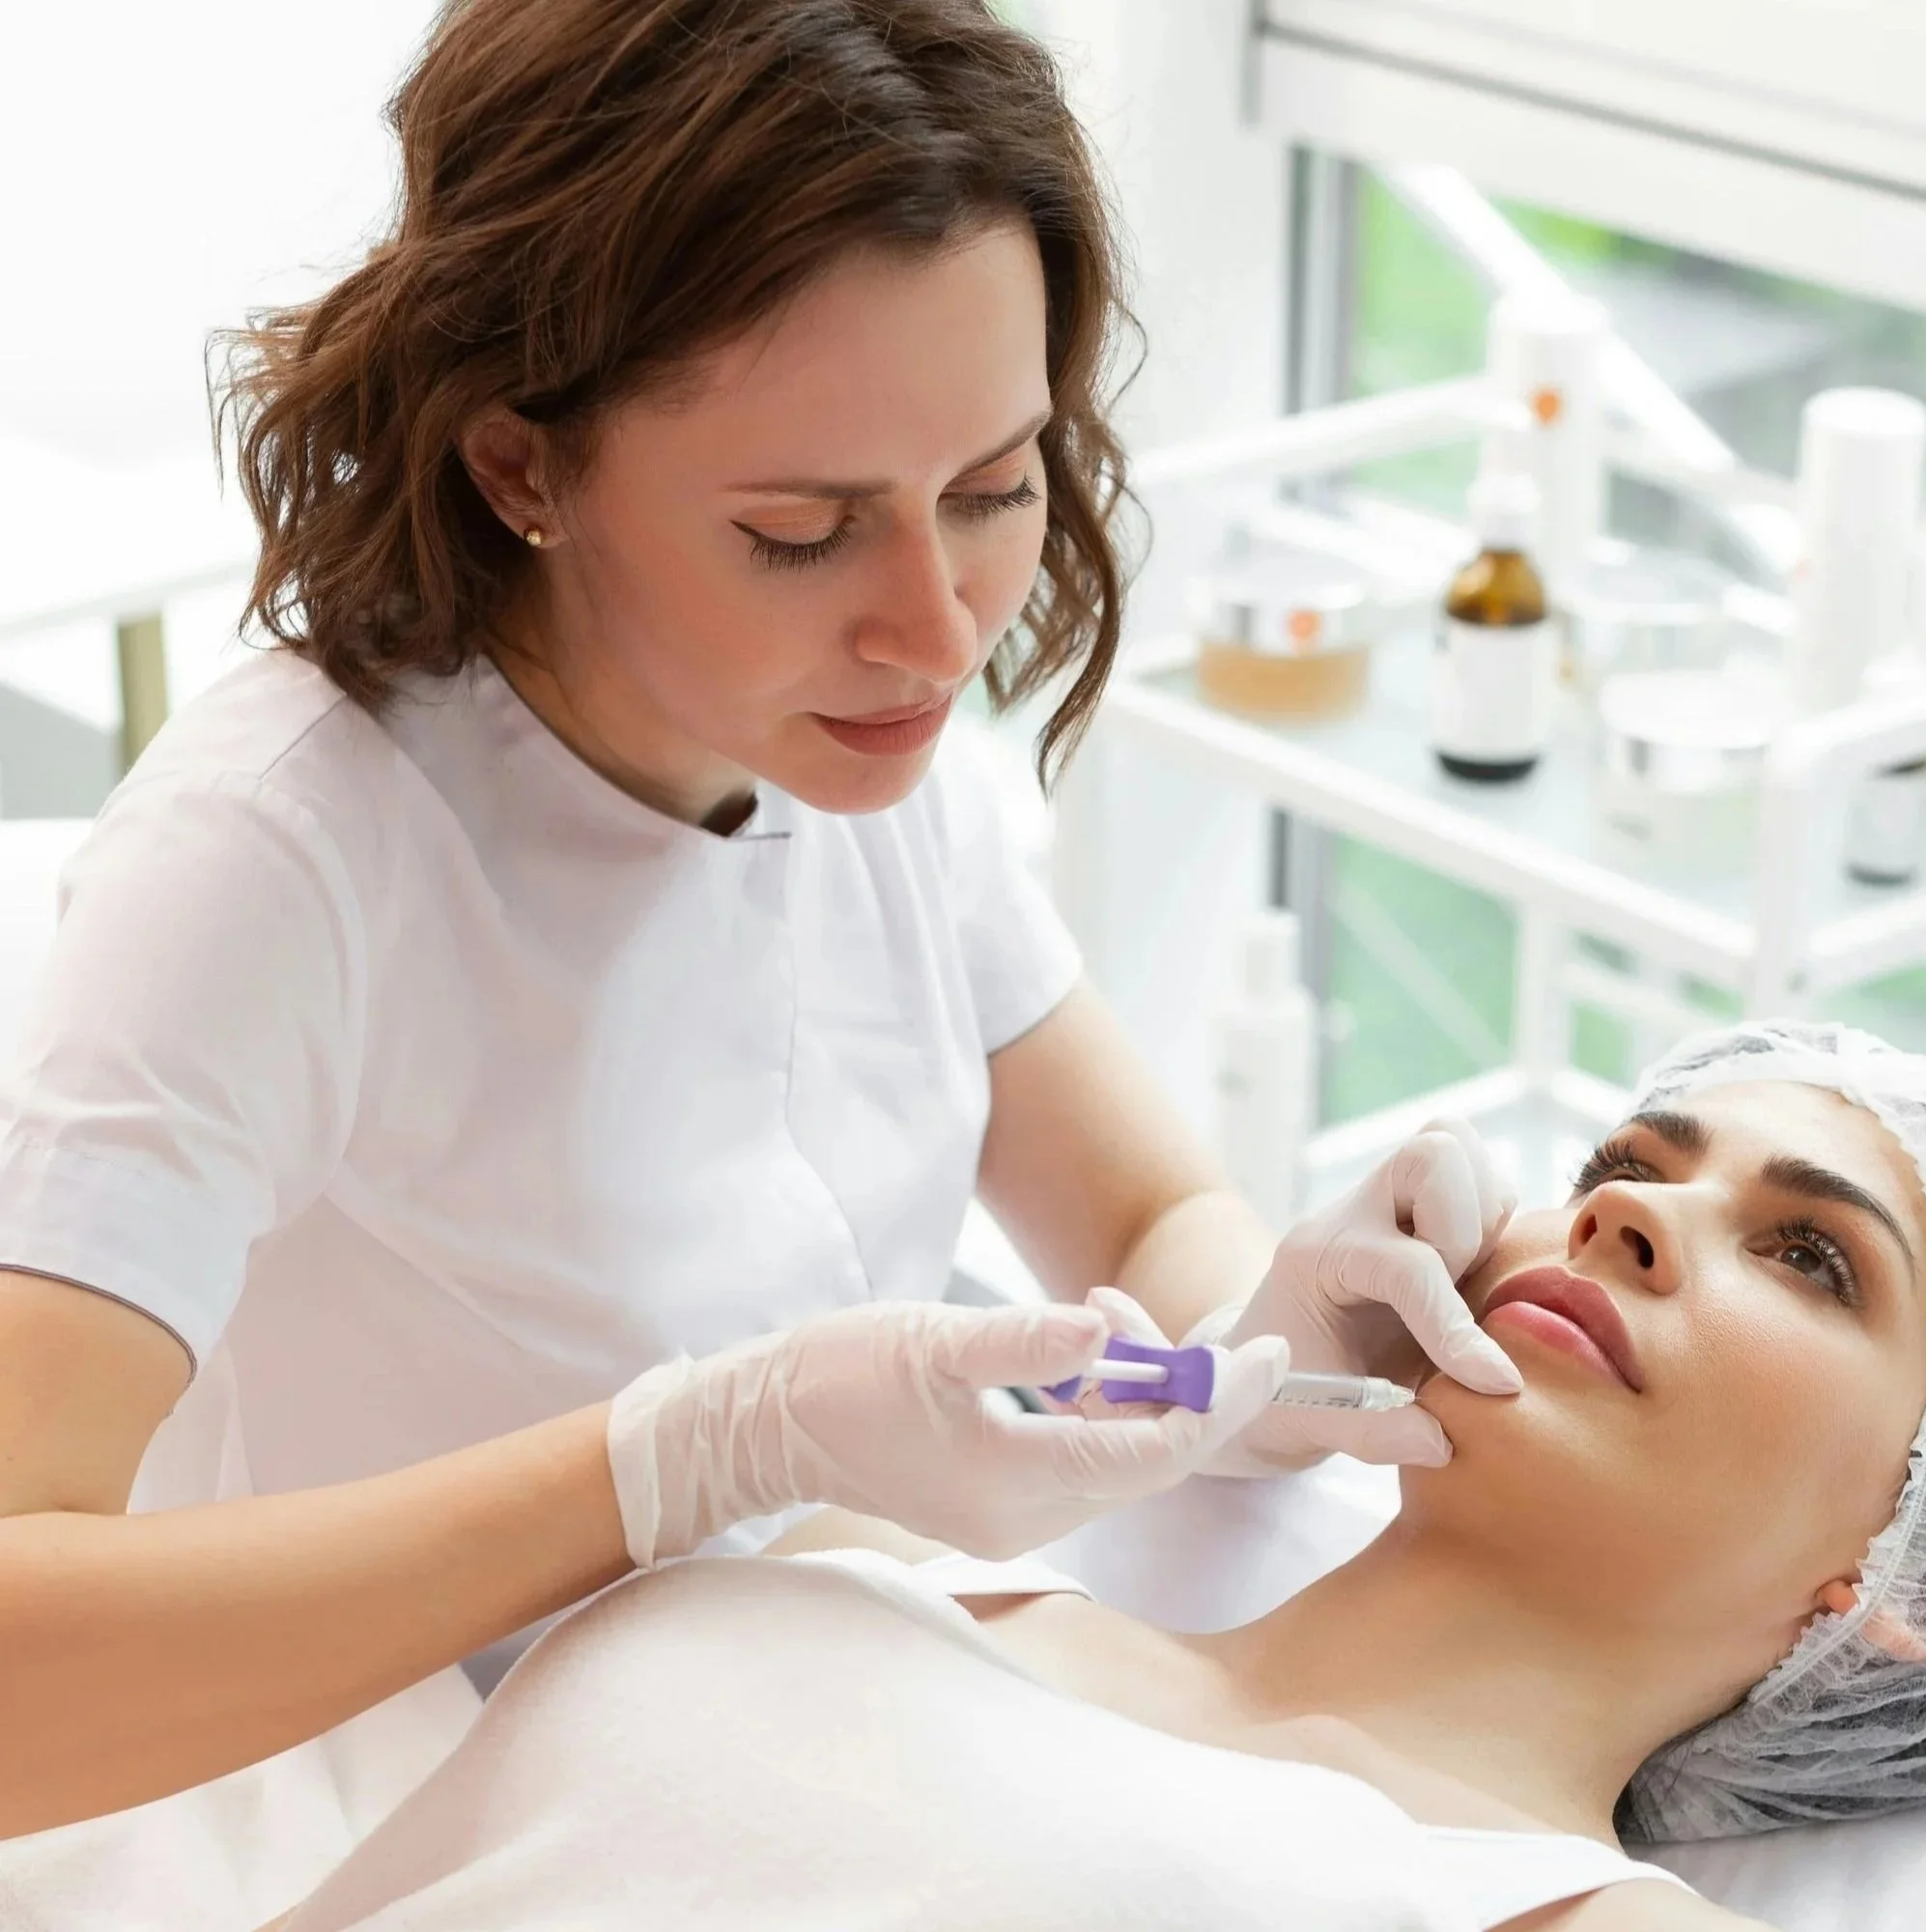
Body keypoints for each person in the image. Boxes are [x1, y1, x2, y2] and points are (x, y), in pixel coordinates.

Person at [0, 0, 1527, 1842]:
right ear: (520, 465)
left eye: (994, 488)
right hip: (383, 1816)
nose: (938, 632)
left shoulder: (854, 745)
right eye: (803, 530)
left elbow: (1136, 1214)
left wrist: (1255, 1351)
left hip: (797, 1731)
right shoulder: (274, 860)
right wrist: (672, 1464)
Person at [268, 1023, 1926, 1931]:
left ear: (1902, 1583)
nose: (1631, 1216)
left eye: (1810, 1258)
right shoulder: (896, 1548)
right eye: (1626, 1165)